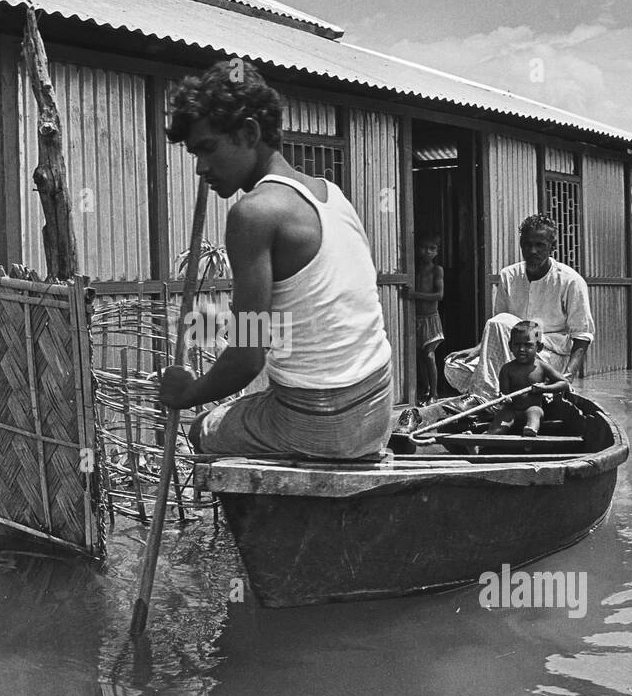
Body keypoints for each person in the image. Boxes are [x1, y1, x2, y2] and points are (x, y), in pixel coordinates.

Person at [157, 59, 394, 460]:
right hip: (377, 404)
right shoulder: (331, 195)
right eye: (195, 154)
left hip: (324, 421)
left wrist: (186, 394)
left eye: (208, 149)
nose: (201, 168)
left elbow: (247, 357)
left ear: (249, 132)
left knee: (204, 429)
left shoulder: (254, 213)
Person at [445, 213, 594, 401]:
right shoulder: (509, 275)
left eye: (539, 245)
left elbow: (582, 336)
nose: (532, 251)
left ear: (552, 247)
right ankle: (499, 390)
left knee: (503, 326)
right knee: (453, 365)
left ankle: (483, 398)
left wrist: (567, 377)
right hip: (512, 351)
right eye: (527, 244)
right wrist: (479, 348)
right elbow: (497, 328)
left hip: (547, 356)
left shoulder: (570, 281)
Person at [486, 320, 570, 437]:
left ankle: (530, 433)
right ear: (510, 346)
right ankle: (484, 440)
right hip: (513, 409)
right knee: (502, 418)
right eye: (517, 345)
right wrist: (504, 398)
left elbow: (564, 383)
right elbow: (504, 393)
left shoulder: (541, 366)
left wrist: (544, 389)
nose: (521, 349)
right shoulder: (507, 369)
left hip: (533, 407)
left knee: (534, 413)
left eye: (528, 345)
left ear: (539, 347)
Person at [410, 233, 445, 405]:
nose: (427, 252)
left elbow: (439, 295)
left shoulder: (436, 270)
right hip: (416, 318)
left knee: (429, 356)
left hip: (431, 319)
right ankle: (425, 390)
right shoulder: (412, 270)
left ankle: (435, 393)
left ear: (437, 252)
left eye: (432, 249)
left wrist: (414, 295)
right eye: (423, 248)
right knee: (419, 357)